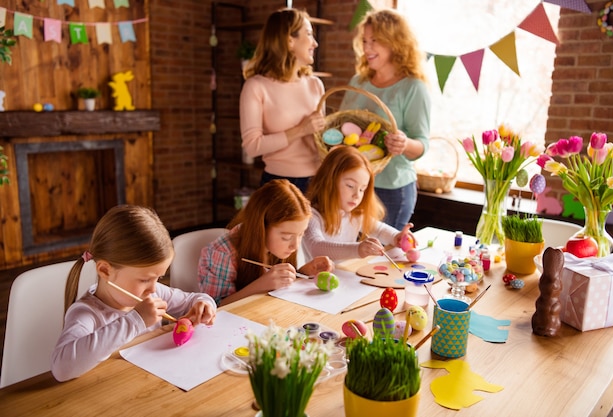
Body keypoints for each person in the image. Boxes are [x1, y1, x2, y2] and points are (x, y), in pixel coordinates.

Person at [51, 205, 217, 382]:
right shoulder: (87, 313)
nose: (153, 289)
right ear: (105, 271)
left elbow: (193, 299)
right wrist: (136, 320)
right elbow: (61, 369)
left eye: (159, 278)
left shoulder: (153, 293)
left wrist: (204, 304)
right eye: (145, 280)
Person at [340, 9, 431, 230]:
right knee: (352, 256)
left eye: (374, 41)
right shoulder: (358, 81)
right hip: (352, 186)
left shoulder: (412, 87)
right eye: (364, 41)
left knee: (380, 258)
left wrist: (404, 143)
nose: (367, 47)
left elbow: (422, 144)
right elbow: (341, 125)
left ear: (395, 43)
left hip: (392, 190)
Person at [198, 179, 334, 306]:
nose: (295, 246)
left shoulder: (276, 245)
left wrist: (303, 272)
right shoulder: (223, 253)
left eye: (301, 235)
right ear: (261, 227)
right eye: (287, 237)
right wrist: (260, 285)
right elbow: (215, 307)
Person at [239, 8, 326, 194]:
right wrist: (301, 129)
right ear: (289, 40)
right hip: (280, 186)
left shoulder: (315, 85)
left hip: (318, 182)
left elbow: (320, 141)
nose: (315, 43)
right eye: (309, 35)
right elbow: (252, 146)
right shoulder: (256, 86)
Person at [303, 146, 414, 262]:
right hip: (317, 279)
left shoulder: (354, 215)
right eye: (350, 186)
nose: (357, 195)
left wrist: (397, 237)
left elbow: (380, 230)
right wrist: (358, 249)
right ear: (328, 181)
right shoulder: (311, 216)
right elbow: (317, 248)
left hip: (345, 276)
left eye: (362, 189)